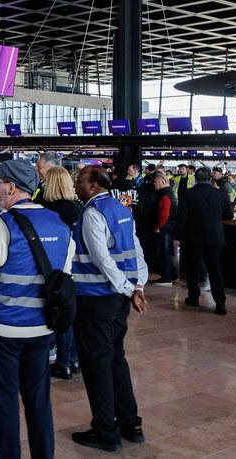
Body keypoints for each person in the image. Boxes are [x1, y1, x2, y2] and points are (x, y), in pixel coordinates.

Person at [0, 161, 75, 459]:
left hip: (1, 331)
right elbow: (62, 278)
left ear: (12, 188)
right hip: (41, 330)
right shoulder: (60, 225)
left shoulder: (1, 226)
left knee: (3, 405)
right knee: (39, 401)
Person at [70, 167, 149, 452]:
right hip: (118, 300)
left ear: (92, 186)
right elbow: (136, 250)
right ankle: (131, 423)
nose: (76, 186)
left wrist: (129, 289)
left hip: (96, 299)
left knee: (97, 365)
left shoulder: (92, 214)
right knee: (116, 359)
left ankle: (106, 430)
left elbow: (102, 259)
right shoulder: (121, 209)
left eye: (79, 181)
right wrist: (137, 286)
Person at [39, 166, 82, 380]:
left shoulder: (46, 209)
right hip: (73, 266)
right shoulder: (77, 208)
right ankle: (72, 359)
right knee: (70, 313)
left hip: (52, 266)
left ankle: (59, 358)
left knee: (54, 311)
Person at [177, 167, 233, 315]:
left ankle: (193, 297)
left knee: (193, 269)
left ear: (195, 178)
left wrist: (177, 236)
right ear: (210, 178)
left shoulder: (188, 194)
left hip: (193, 238)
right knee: (215, 270)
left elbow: (181, 218)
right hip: (215, 237)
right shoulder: (221, 194)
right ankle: (220, 302)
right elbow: (229, 215)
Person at [151, 174, 178, 286]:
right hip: (169, 227)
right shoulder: (170, 193)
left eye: (155, 182)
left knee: (164, 252)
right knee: (167, 252)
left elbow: (164, 214)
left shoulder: (164, 195)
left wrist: (157, 226)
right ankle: (172, 275)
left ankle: (166, 278)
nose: (153, 184)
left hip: (164, 229)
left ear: (162, 182)